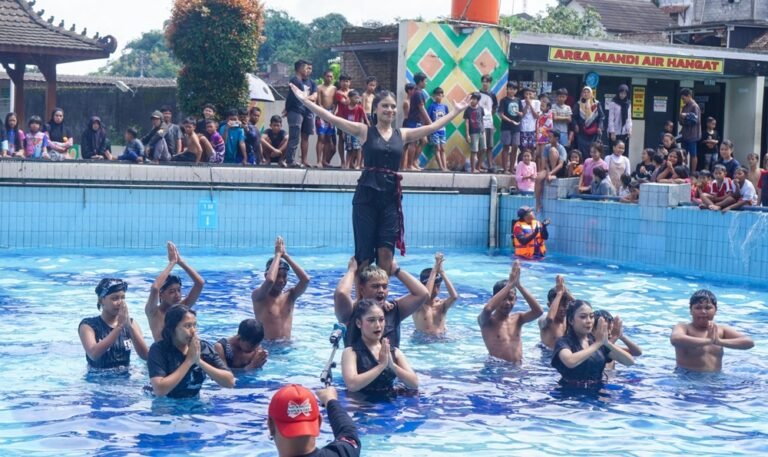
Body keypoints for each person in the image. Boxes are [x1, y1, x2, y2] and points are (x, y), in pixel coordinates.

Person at [289, 85, 470, 273]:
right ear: (376, 109)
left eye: (392, 106)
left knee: (386, 254)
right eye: (385, 106)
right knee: (364, 256)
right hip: (366, 198)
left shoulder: (403, 134)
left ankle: (381, 297)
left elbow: (432, 126)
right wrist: (305, 101)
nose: (389, 110)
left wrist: (456, 111)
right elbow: (332, 118)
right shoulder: (364, 131)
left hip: (390, 199)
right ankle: (361, 299)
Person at [334, 258, 428, 349]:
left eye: (384, 286)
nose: (381, 291)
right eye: (375, 286)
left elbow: (423, 293)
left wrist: (397, 271)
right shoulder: (350, 312)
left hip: (391, 364)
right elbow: (341, 293)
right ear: (362, 289)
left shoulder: (393, 310)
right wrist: (351, 271)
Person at [148, 306, 235, 398]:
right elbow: (159, 390)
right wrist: (188, 361)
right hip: (162, 401)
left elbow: (230, 382)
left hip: (192, 400)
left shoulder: (202, 347)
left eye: (194, 325)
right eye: (187, 326)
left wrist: (198, 361)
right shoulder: (159, 350)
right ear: (172, 329)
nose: (193, 331)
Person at [341, 299, 419, 394]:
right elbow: (352, 385)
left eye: (381, 320)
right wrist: (381, 366)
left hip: (389, 401)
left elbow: (414, 383)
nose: (378, 325)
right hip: (361, 404)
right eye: (371, 320)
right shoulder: (350, 352)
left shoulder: (394, 351)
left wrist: (392, 366)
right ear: (358, 323)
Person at [551, 300, 634, 388]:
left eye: (591, 317)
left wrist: (607, 343)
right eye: (583, 317)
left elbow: (629, 362)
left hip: (596, 391)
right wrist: (597, 344)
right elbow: (570, 361)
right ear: (571, 320)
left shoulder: (598, 341)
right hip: (569, 393)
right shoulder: (563, 342)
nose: (589, 321)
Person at [670, 289, 754, 372]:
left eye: (708, 308)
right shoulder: (684, 327)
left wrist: (719, 341)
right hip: (686, 377)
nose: (703, 311)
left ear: (715, 310)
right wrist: (708, 341)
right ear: (691, 310)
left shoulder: (721, 330)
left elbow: (749, 343)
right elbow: (676, 339)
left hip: (715, 380)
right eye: (698, 308)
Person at [268, 384, 361, 457]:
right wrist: (330, 400)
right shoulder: (343, 453)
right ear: (319, 422)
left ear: (270, 426)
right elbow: (349, 432)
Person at [478, 260, 543, 363]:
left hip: (518, 367)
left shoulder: (518, 319)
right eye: (503, 298)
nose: (507, 303)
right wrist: (509, 285)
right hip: (497, 369)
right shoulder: (486, 322)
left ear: (516, 300)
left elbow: (538, 311)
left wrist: (519, 285)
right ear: (495, 298)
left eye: (511, 299)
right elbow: (488, 309)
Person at [78, 278, 149, 370]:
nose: (120, 302)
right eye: (114, 298)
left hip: (125, 378)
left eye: (123, 298)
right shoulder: (88, 325)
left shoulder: (131, 323)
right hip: (97, 379)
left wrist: (129, 327)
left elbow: (146, 356)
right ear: (101, 300)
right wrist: (119, 327)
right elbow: (93, 354)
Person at [251, 236, 310, 341]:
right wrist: (277, 255)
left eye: (284, 276)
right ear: (265, 275)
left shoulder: (290, 296)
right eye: (278, 276)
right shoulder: (258, 296)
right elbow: (270, 281)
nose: (282, 280)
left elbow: (306, 280)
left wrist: (286, 256)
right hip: (268, 347)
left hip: (287, 347)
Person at [145, 242, 205, 341]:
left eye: (179, 290)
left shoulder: (181, 308)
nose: (177, 295)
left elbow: (200, 283)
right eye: (172, 291)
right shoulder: (153, 312)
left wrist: (180, 262)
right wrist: (172, 263)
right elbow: (155, 288)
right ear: (161, 294)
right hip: (164, 355)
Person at [412, 252, 458, 336]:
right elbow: (426, 295)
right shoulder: (418, 305)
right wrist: (434, 270)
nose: (436, 289)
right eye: (434, 286)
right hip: (422, 343)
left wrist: (442, 272)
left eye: (438, 286)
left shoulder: (442, 305)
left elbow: (454, 296)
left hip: (441, 341)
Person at [286, 60, 317, 168]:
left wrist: (305, 98)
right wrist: (287, 109)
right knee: (294, 135)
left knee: (305, 136)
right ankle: (290, 160)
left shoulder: (312, 83)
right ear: (300, 69)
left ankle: (304, 160)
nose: (308, 70)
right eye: (306, 68)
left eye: (310, 68)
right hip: (296, 111)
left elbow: (314, 96)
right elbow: (291, 97)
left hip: (307, 111)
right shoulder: (294, 81)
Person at [404, 72, 431, 171]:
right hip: (413, 121)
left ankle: (414, 161)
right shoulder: (418, 93)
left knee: (424, 141)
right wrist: (430, 122)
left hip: (418, 121)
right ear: (420, 81)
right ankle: (409, 165)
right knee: (413, 143)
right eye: (425, 81)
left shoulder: (417, 92)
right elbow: (421, 108)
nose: (426, 83)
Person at [534, 129, 567, 211]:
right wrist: (548, 172)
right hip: (549, 170)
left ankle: (552, 175)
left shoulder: (561, 148)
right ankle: (538, 203)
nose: (549, 139)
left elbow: (560, 165)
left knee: (553, 150)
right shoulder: (546, 147)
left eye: (550, 137)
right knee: (538, 178)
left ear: (557, 138)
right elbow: (544, 162)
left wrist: (551, 173)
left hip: (559, 171)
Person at [539, 275, 572, 351]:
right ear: (549, 305)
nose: (561, 309)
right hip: (546, 356)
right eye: (558, 305)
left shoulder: (569, 319)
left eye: (564, 305)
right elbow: (550, 319)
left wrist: (567, 294)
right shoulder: (543, 319)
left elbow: (580, 308)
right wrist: (559, 294)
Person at [573, 86, 604, 160]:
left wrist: (600, 127)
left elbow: (601, 117)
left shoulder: (596, 104)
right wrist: (575, 125)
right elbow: (574, 117)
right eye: (584, 92)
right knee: (582, 150)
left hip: (593, 132)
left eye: (588, 92)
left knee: (593, 149)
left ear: (591, 94)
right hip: (582, 132)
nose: (586, 94)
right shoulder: (578, 104)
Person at [498, 81, 522, 173]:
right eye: (510, 88)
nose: (512, 90)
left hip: (516, 127)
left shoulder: (518, 100)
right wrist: (510, 120)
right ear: (507, 89)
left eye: (514, 89)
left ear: (516, 90)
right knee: (506, 147)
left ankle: (512, 168)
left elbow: (522, 113)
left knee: (515, 146)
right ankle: (505, 169)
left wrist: (520, 113)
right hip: (506, 126)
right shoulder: (503, 100)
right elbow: (501, 114)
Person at [316, 69, 337, 168]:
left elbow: (336, 103)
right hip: (321, 113)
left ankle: (324, 160)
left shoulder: (334, 88)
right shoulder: (319, 87)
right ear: (324, 77)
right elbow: (318, 103)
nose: (329, 78)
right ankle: (319, 161)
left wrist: (332, 113)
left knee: (328, 138)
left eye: (331, 76)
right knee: (321, 137)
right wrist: (323, 113)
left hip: (331, 114)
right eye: (328, 76)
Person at [478, 74, 498, 171]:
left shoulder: (492, 95)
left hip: (489, 121)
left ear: (490, 83)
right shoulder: (478, 94)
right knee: (481, 145)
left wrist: (489, 115)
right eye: (484, 81)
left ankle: (490, 164)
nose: (485, 83)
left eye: (487, 81)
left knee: (490, 145)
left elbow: (494, 108)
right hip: (480, 122)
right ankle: (479, 164)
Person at [679, 88, 702, 172]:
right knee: (683, 154)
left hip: (693, 135)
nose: (683, 100)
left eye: (683, 98)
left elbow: (696, 120)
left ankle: (692, 172)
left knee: (693, 154)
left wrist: (686, 116)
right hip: (685, 134)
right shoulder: (684, 107)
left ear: (689, 96)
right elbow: (681, 121)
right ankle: (685, 171)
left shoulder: (695, 106)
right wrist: (682, 117)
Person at [427, 87, 449, 171]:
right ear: (434, 96)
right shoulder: (431, 106)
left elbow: (447, 117)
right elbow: (428, 119)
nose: (439, 96)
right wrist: (429, 132)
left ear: (443, 95)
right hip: (434, 131)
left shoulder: (444, 107)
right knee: (437, 148)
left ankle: (445, 167)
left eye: (440, 95)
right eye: (437, 95)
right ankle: (441, 167)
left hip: (442, 131)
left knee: (443, 149)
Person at [343, 90, 367, 170]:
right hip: (348, 130)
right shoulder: (346, 108)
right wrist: (343, 131)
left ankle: (358, 164)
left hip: (357, 131)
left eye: (358, 98)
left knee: (358, 148)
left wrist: (368, 129)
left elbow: (365, 119)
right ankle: (347, 164)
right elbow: (343, 120)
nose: (357, 99)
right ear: (350, 98)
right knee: (349, 148)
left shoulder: (360, 108)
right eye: (355, 98)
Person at [606, 84, 632, 152]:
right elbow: (611, 118)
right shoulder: (613, 103)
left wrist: (629, 130)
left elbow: (628, 118)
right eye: (621, 93)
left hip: (624, 132)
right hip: (614, 131)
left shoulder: (628, 103)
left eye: (624, 93)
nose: (622, 95)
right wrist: (612, 132)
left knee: (622, 151)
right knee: (613, 150)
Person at [464, 93, 485, 173]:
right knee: (474, 150)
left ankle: (478, 167)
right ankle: (473, 169)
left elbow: (482, 120)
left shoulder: (481, 109)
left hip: (481, 131)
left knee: (483, 149)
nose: (472, 100)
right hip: (473, 132)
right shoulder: (468, 109)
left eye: (474, 99)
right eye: (471, 99)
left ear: (478, 100)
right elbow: (466, 122)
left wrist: (483, 130)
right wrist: (467, 134)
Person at [519, 87, 540, 154]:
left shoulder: (537, 102)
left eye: (530, 94)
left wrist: (530, 105)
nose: (528, 96)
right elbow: (522, 115)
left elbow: (536, 116)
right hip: (523, 128)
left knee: (532, 148)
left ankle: (532, 163)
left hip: (532, 129)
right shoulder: (521, 102)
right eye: (526, 94)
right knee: (524, 148)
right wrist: (526, 105)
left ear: (534, 95)